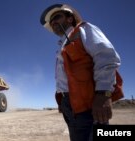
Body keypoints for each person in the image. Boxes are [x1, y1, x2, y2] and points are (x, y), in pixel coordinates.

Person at [40, 4, 124, 141]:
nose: (53, 22)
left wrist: (103, 94)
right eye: (51, 22)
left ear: (69, 18)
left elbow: (106, 57)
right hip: (70, 105)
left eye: (57, 17)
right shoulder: (61, 46)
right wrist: (62, 102)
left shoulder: (84, 30)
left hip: (89, 104)